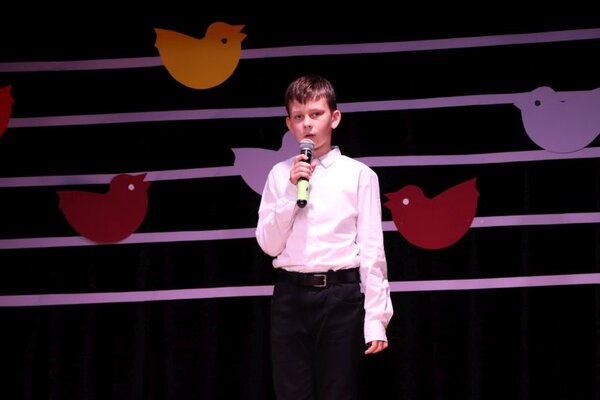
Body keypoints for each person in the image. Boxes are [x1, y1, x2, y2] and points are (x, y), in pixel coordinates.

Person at [255, 74, 393, 399]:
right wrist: (291, 191)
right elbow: (269, 245)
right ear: (289, 124)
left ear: (334, 117)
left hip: (340, 297)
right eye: (299, 116)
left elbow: (373, 251)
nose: (307, 124)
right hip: (290, 296)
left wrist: (376, 320)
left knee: (338, 392)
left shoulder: (359, 175)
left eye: (316, 114)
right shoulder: (279, 175)